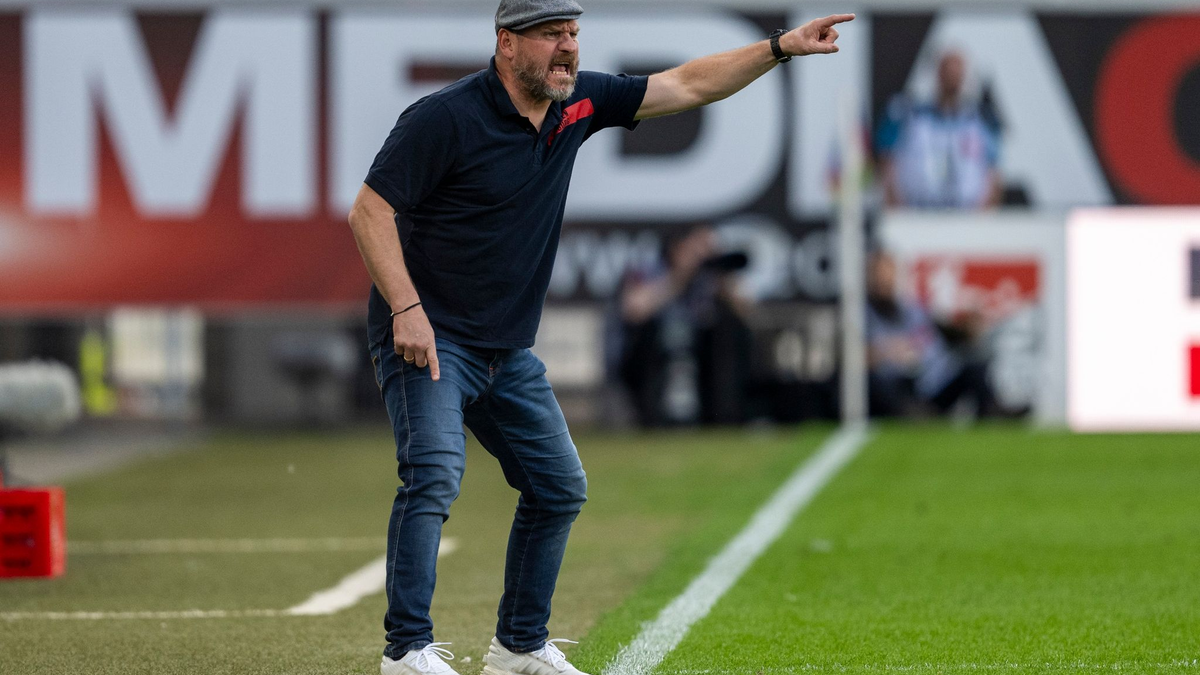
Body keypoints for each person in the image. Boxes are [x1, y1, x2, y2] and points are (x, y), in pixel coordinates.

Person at [346, 2, 853, 673]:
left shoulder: (577, 104)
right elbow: (369, 210)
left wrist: (780, 47)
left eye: (574, 34)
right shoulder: (445, 117)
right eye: (553, 34)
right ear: (506, 43)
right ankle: (405, 651)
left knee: (559, 486)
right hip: (429, 337)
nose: (569, 48)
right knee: (434, 474)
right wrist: (406, 307)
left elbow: (688, 85)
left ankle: (518, 646)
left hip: (504, 348)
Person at [616, 225, 754, 426]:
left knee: (728, 333)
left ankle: (726, 417)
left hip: (702, 354)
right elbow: (634, 310)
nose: (704, 255)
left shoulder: (711, 276)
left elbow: (747, 310)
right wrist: (680, 276)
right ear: (678, 248)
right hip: (652, 356)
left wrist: (723, 278)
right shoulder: (652, 267)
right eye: (699, 248)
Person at [865, 250, 998, 418]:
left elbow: (939, 330)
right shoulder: (863, 315)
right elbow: (852, 358)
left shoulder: (911, 309)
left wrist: (965, 329)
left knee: (974, 368)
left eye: (888, 276)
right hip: (899, 386)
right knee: (879, 384)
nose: (884, 282)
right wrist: (885, 352)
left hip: (934, 381)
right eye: (879, 277)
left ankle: (992, 414)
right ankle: (915, 415)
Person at [875, 50, 1002, 209]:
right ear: (936, 74)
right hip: (916, 217)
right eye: (947, 73)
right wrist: (898, 214)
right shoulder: (908, 117)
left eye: (957, 74)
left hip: (968, 219)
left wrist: (983, 221)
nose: (952, 80)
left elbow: (994, 174)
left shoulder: (981, 122)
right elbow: (887, 164)